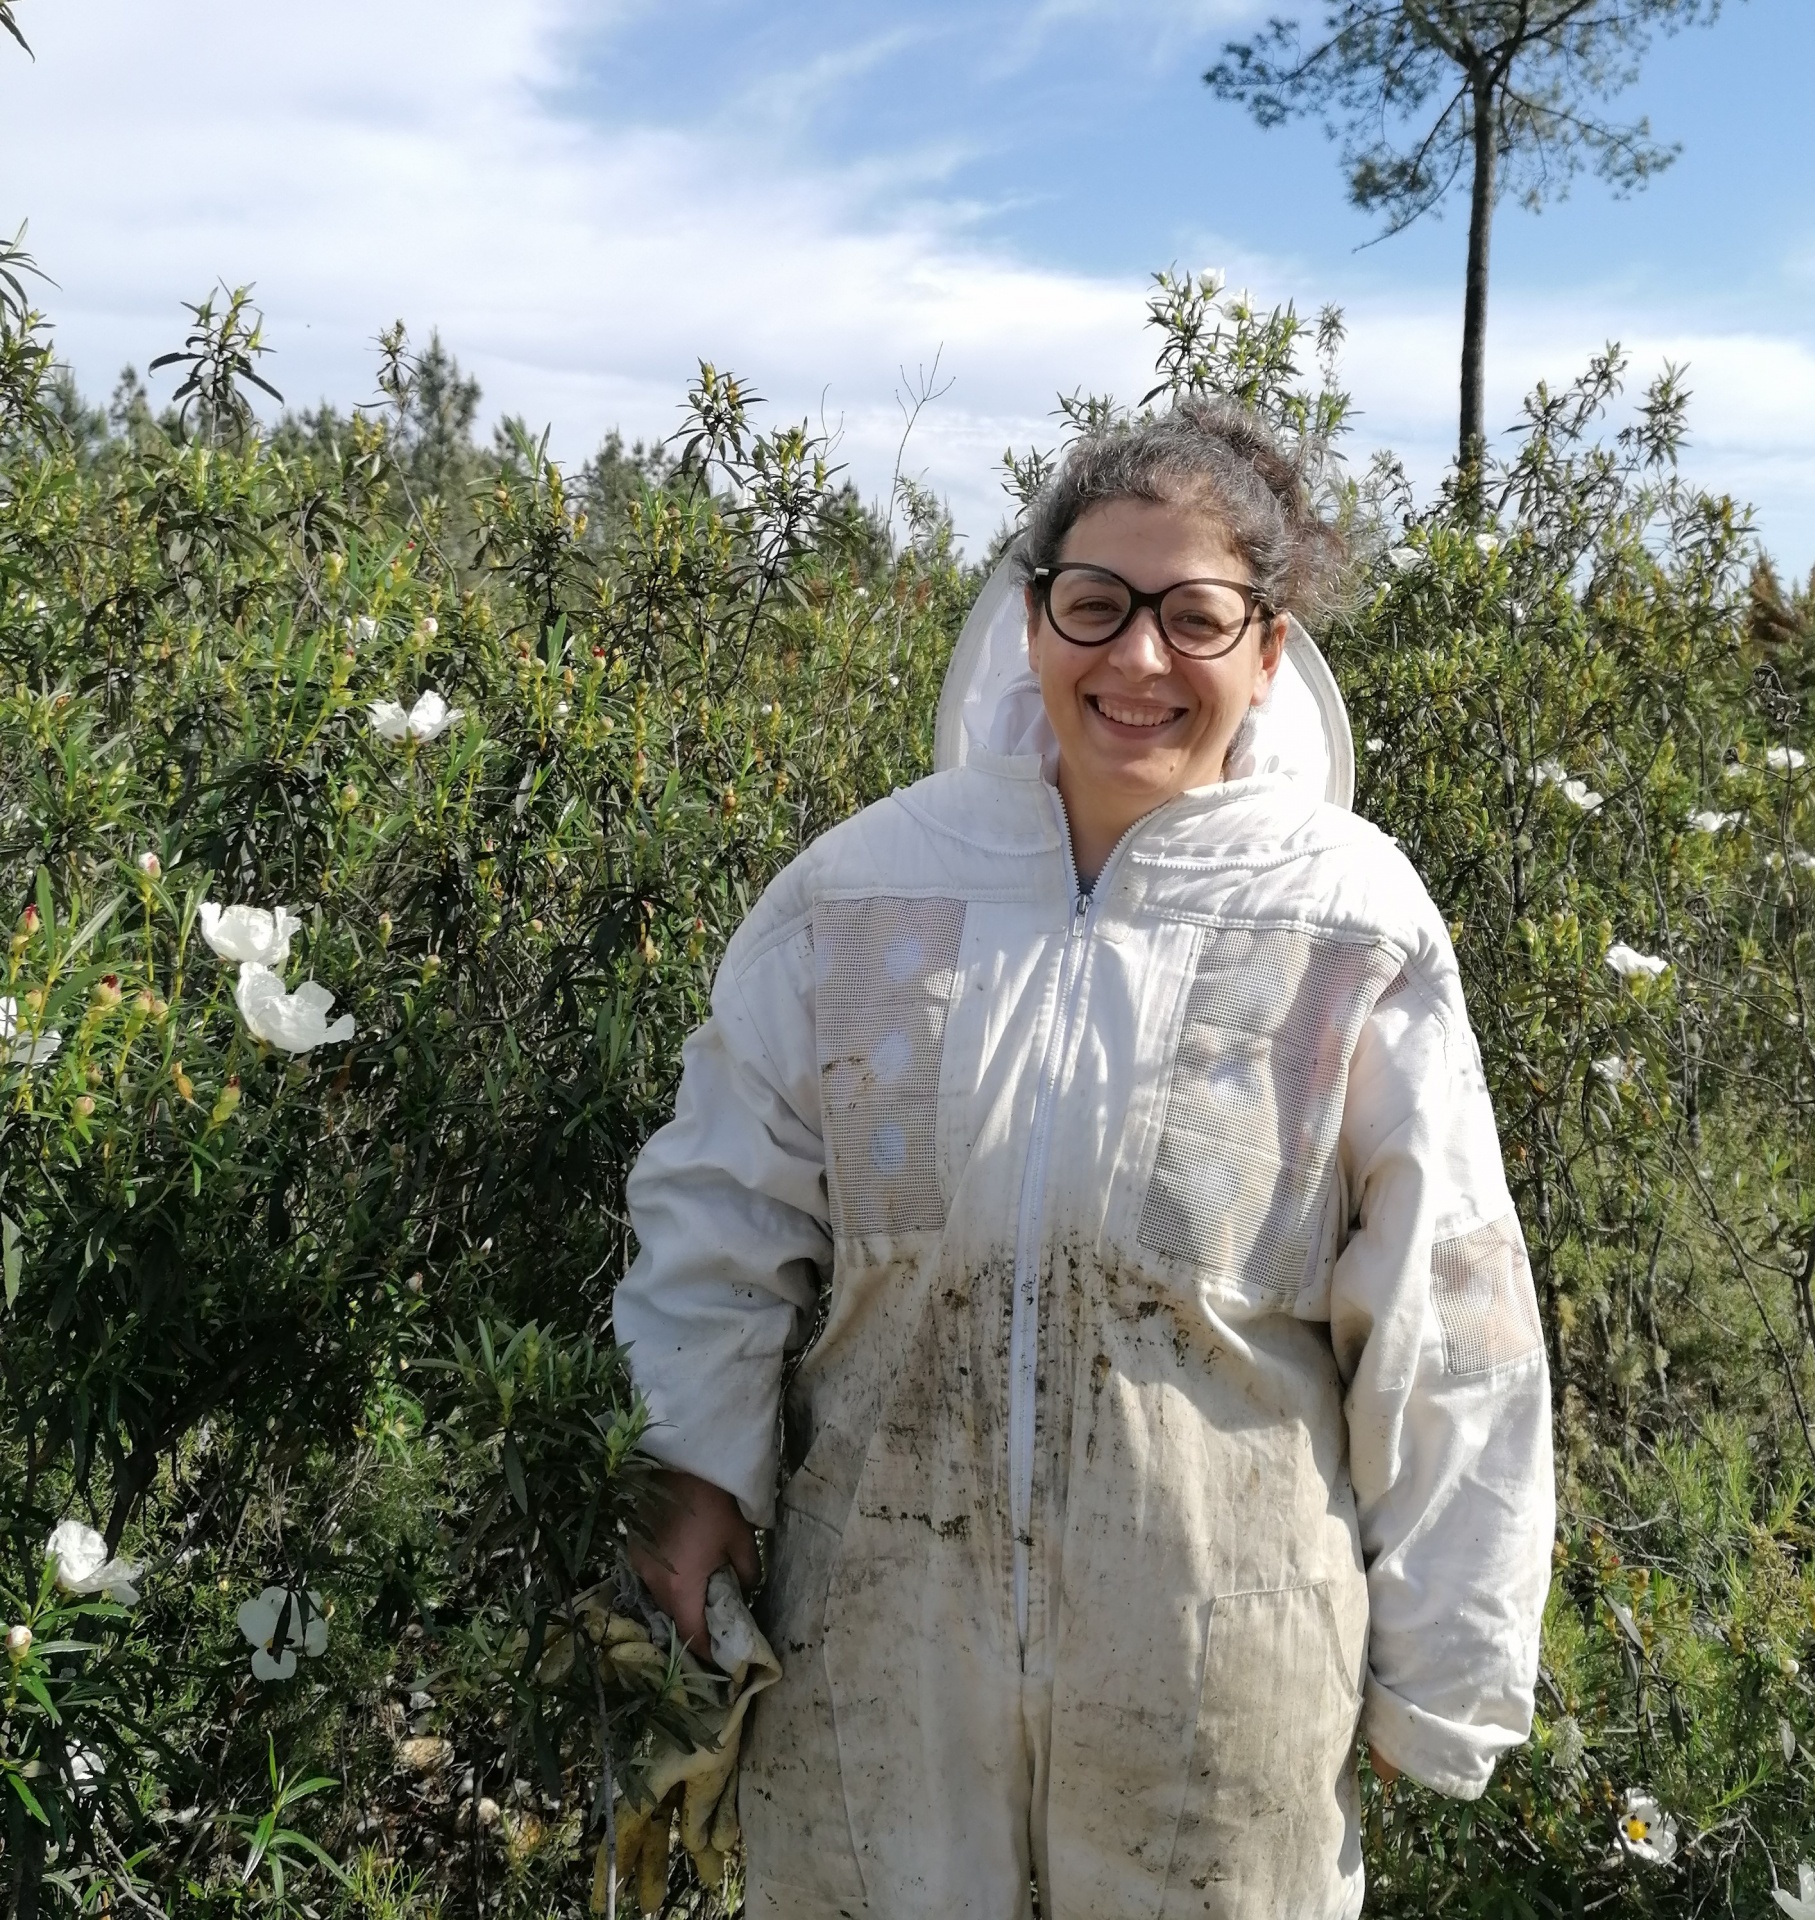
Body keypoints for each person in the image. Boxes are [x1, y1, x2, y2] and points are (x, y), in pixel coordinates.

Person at [614, 398, 1555, 1920]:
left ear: (1268, 646)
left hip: (1221, 1656)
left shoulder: (1351, 920)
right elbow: (722, 1202)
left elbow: (1449, 1301)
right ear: (1032, 610)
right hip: (878, 1634)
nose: (1136, 661)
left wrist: (1448, 1663)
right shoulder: (865, 887)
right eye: (1097, 605)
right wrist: (694, 1468)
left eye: (1196, 617)